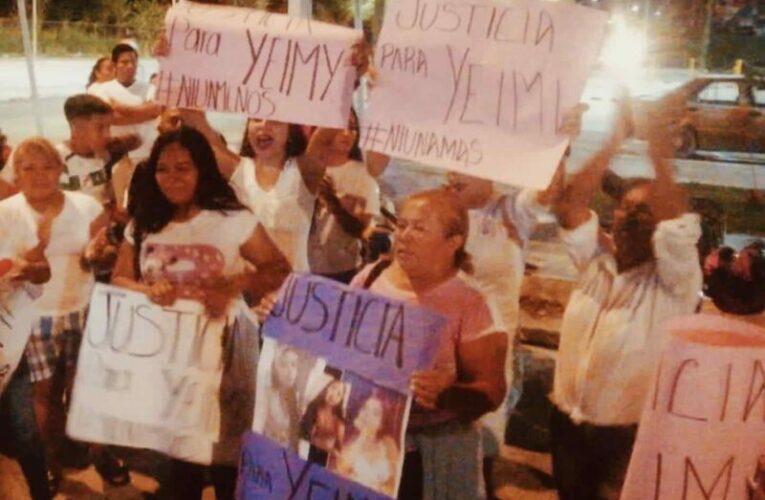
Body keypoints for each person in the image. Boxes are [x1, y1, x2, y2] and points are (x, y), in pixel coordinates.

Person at [111, 126, 290, 499]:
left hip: (227, 358)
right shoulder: (144, 223)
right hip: (168, 359)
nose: (172, 177)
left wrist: (234, 283)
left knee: (228, 459)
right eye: (163, 168)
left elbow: (279, 269)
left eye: (183, 167)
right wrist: (147, 290)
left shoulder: (232, 219)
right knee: (180, 461)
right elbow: (120, 279)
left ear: (202, 170)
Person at [548, 99, 703, 500]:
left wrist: (658, 150)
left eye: (645, 213)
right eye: (626, 208)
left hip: (626, 438)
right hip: (567, 424)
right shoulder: (595, 263)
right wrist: (613, 138)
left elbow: (676, 229)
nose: (632, 217)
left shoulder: (676, 283)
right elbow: (568, 206)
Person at [350, 189, 508, 499]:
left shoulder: (471, 303)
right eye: (401, 225)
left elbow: (492, 390)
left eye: (419, 228)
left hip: (425, 457)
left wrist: (448, 395)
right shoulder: (371, 276)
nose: (404, 237)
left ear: (454, 241)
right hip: (363, 442)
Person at [3, 137, 110, 495]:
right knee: (44, 394)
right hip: (33, 318)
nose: (39, 175)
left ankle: (98, 452)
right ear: (16, 173)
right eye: (28, 167)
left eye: (47, 166)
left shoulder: (87, 205)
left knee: (87, 388)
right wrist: (38, 247)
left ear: (60, 169)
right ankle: (49, 462)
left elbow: (103, 253)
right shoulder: (5, 213)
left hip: (84, 308)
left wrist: (99, 253)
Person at [0, 181, 53, 500]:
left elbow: (42, 273)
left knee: (26, 431)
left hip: (10, 352)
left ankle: (41, 492)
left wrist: (29, 269)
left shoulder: (10, 221)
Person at [308, 109, 381, 283]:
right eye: (339, 127)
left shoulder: (364, 175)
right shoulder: (305, 169)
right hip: (302, 265)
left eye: (353, 127)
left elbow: (363, 231)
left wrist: (332, 202)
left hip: (342, 272)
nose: (347, 133)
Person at [88, 43, 162, 163]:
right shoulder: (102, 89)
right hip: (116, 154)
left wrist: (117, 106)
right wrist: (144, 114)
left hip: (146, 154)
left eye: (133, 62)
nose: (130, 66)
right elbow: (110, 118)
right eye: (124, 62)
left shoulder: (149, 88)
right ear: (114, 64)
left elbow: (154, 112)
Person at [331, 391, 400, 496]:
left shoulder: (388, 443)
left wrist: (379, 488)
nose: (368, 415)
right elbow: (340, 471)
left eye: (375, 413)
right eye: (365, 409)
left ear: (381, 423)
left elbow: (395, 483)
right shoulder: (347, 442)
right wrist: (362, 435)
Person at [262, 345, 302, 452]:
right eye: (284, 365)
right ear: (276, 368)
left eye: (294, 365)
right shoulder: (267, 393)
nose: (290, 371)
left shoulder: (298, 400)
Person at [300, 379, 347, 457]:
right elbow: (302, 434)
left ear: (340, 400)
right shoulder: (312, 408)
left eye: (339, 394)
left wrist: (331, 451)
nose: (333, 394)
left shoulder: (339, 422)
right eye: (333, 388)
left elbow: (340, 450)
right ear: (327, 388)